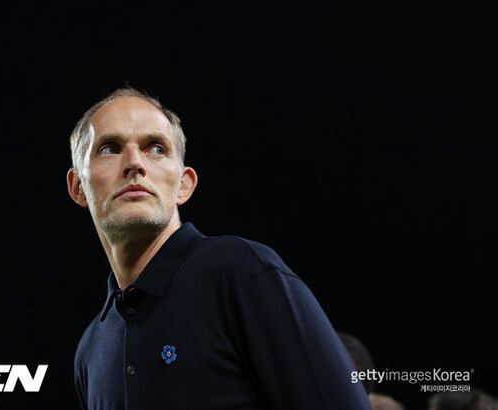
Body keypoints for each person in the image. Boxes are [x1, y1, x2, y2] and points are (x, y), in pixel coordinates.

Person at [67, 87, 371, 409]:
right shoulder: (90, 349)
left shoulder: (242, 272)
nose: (135, 163)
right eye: (110, 148)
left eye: (156, 148)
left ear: (184, 184)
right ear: (78, 187)